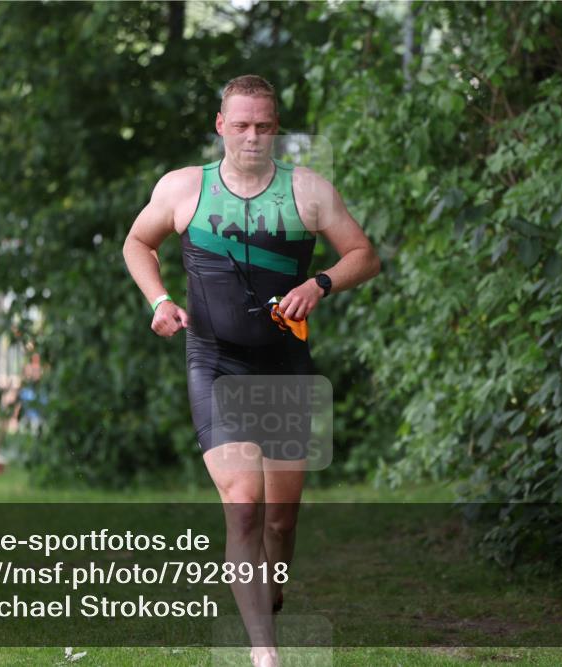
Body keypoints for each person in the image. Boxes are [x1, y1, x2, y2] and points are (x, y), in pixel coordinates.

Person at [123, 75, 380, 667]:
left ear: (276, 128)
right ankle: (265, 653)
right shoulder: (184, 188)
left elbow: (364, 255)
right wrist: (159, 300)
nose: (252, 137)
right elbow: (138, 243)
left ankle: (272, 588)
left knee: (280, 522)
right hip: (215, 361)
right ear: (221, 126)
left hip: (285, 366)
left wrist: (319, 284)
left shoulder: (308, 190)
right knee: (244, 503)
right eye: (240, 125)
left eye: (263, 126)